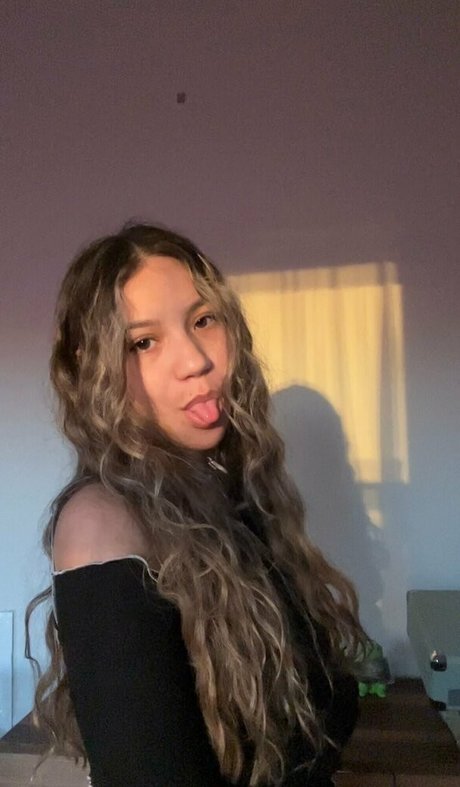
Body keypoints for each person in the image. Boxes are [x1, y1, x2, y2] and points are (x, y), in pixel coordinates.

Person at [27, 224, 367, 787]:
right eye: (143, 342)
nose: (195, 361)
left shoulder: (232, 500)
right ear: (92, 368)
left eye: (203, 320)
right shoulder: (102, 526)